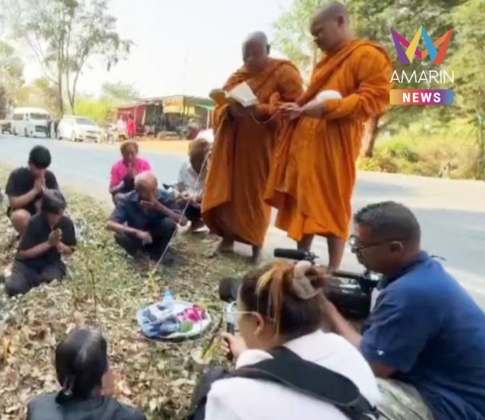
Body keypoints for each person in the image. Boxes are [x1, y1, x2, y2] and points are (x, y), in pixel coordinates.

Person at [321, 201, 485, 420]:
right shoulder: (424, 273)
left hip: (455, 404)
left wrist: (326, 309)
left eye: (361, 246)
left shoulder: (411, 293)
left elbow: (371, 366)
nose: (355, 251)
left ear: (395, 248)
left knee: (342, 392)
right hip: (449, 387)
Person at [264, 3, 393, 270]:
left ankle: (333, 268)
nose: (316, 39)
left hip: (336, 146)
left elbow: (375, 99)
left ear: (340, 21)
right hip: (307, 145)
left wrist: (329, 107)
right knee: (304, 204)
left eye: (319, 32)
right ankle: (303, 261)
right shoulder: (326, 62)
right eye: (312, 35)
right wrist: (298, 110)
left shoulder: (366, 55)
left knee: (333, 205)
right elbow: (311, 99)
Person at [199, 260, 381, 419]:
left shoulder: (231, 395)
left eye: (238, 312)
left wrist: (248, 365)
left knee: (210, 381)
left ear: (258, 323)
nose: (237, 320)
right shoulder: (345, 351)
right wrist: (247, 358)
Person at [202, 31, 304, 262]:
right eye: (245, 55)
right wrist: (228, 110)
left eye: (254, 54)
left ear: (267, 49)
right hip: (233, 147)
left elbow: (295, 109)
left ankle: (256, 245)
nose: (249, 60)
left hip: (262, 148)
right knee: (228, 192)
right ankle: (227, 239)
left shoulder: (284, 72)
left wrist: (259, 110)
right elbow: (220, 105)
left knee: (256, 196)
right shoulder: (239, 76)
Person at [27, 327, 145, 420]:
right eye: (108, 364)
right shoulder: (130, 416)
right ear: (103, 379)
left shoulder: (38, 408)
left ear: (59, 375)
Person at [5, 189, 77, 297]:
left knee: (51, 280)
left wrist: (58, 244)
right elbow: (24, 253)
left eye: (59, 214)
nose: (56, 218)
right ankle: (8, 273)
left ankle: (36, 281)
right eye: (52, 215)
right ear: (45, 212)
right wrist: (48, 243)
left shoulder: (66, 224)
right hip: (29, 263)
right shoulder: (35, 222)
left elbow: (70, 250)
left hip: (50, 262)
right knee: (14, 288)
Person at [107, 172, 185, 263]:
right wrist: (137, 232)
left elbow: (183, 221)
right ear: (137, 190)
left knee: (168, 224)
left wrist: (159, 207)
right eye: (146, 191)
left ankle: (158, 250)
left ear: (156, 185)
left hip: (157, 236)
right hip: (137, 236)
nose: (152, 194)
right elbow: (110, 224)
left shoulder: (166, 196)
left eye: (153, 189)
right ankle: (137, 254)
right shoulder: (127, 199)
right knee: (120, 235)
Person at [5, 146, 60, 237]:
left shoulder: (49, 176)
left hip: (44, 213)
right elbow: (14, 203)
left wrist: (45, 190)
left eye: (44, 168)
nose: (41, 172)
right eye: (38, 168)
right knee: (19, 217)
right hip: (25, 212)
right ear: (30, 163)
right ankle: (28, 238)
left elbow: (58, 201)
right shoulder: (17, 175)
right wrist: (34, 191)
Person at [176, 138, 211, 231]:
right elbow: (180, 186)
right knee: (176, 201)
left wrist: (197, 199)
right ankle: (195, 223)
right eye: (192, 161)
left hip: (207, 205)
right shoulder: (185, 164)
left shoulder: (213, 169)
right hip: (190, 204)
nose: (194, 165)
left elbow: (216, 194)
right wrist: (182, 194)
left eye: (198, 162)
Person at [109, 141, 152, 206]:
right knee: (118, 197)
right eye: (126, 154)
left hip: (141, 194)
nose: (130, 157)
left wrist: (137, 179)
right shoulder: (116, 167)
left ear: (136, 153)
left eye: (132, 153)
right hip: (124, 194)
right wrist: (123, 184)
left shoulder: (144, 164)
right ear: (122, 154)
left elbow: (151, 183)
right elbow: (112, 190)